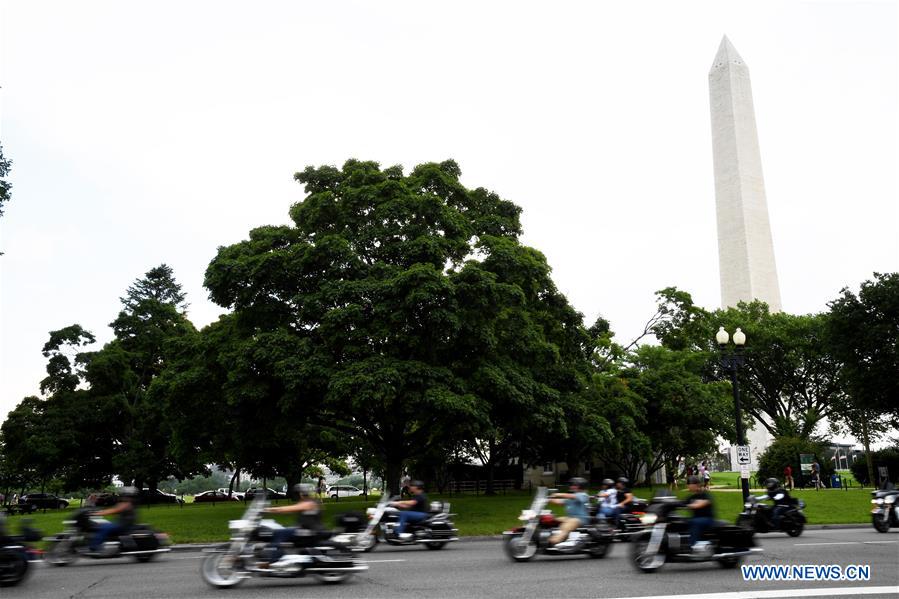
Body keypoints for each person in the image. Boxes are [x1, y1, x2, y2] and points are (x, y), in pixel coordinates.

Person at [263, 484, 325, 563]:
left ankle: (271, 559)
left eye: (299, 493)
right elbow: (289, 510)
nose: (299, 495)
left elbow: (287, 509)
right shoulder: (310, 502)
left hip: (310, 532)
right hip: (306, 530)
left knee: (280, 533)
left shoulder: (309, 503)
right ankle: (276, 556)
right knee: (282, 530)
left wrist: (267, 510)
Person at [89, 486, 138, 553]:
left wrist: (95, 513)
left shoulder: (127, 504)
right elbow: (113, 509)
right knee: (103, 525)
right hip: (121, 524)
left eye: (123, 494)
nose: (122, 496)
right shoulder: (125, 503)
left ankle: (95, 546)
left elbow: (113, 511)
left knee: (105, 527)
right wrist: (98, 511)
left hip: (123, 526)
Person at [547, 477, 590, 545]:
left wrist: (559, 494)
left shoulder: (583, 495)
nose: (571, 486)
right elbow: (560, 501)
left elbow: (572, 496)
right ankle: (545, 534)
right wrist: (548, 499)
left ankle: (554, 540)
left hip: (580, 519)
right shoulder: (571, 497)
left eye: (573, 485)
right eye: (571, 485)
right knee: (552, 520)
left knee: (567, 525)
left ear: (580, 486)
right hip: (570, 517)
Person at [685, 475, 715, 552]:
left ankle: (692, 547)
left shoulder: (704, 494)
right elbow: (682, 503)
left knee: (695, 522)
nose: (688, 486)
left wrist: (691, 505)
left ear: (696, 484)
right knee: (680, 521)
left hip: (707, 519)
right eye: (688, 484)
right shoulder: (691, 497)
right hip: (697, 518)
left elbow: (703, 503)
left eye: (690, 484)